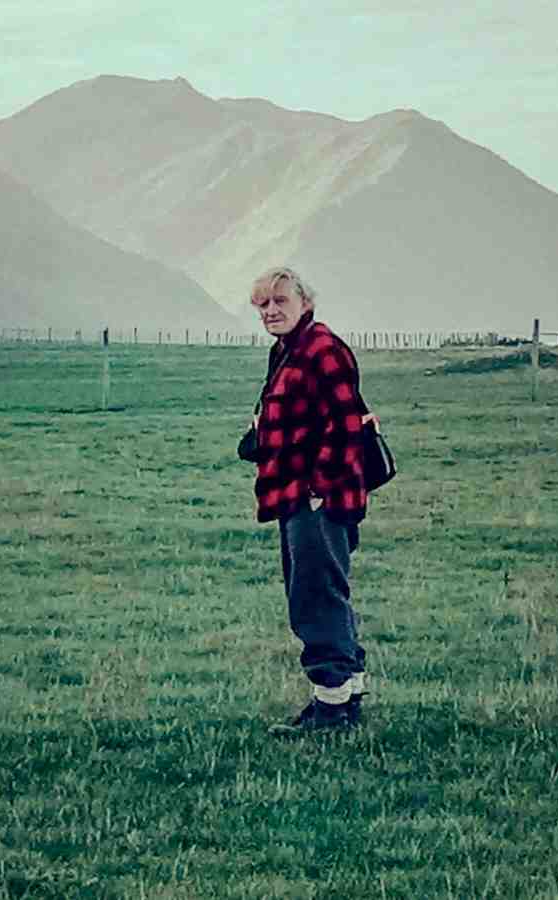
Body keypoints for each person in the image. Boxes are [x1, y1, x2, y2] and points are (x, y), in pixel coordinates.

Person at [239, 267, 378, 732]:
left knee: (314, 597)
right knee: (325, 593)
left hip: (317, 497)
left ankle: (331, 706)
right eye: (263, 304)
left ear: (304, 303)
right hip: (295, 493)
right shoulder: (288, 349)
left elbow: (346, 423)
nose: (271, 311)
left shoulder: (323, 349)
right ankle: (345, 696)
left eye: (280, 301)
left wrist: (320, 488)